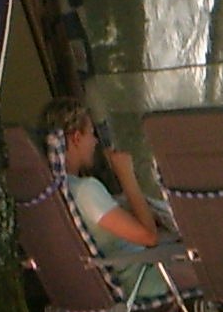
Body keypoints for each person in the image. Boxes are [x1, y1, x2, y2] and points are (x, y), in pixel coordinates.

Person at [40, 98, 160, 263]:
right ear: (76, 138)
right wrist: (127, 176)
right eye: (91, 133)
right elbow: (150, 237)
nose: (95, 141)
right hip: (141, 278)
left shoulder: (58, 190)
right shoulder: (86, 190)